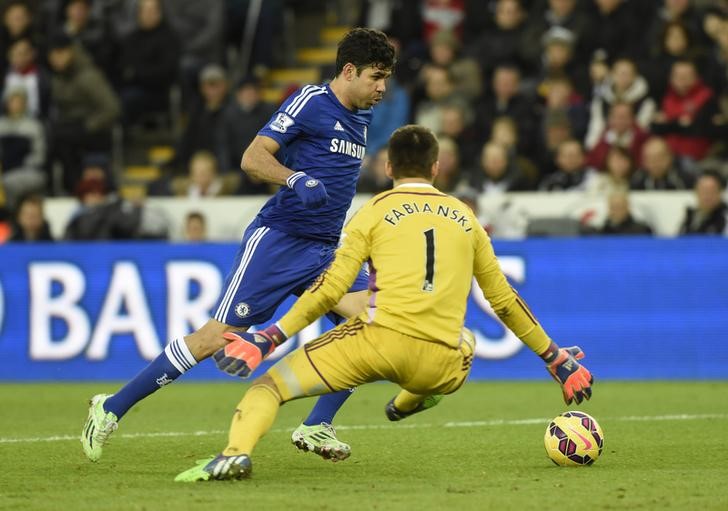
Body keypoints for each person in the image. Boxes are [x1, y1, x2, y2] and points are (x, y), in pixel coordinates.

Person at [173, 125, 594, 482]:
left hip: (377, 343)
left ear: (388, 167)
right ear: (435, 168)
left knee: (268, 388)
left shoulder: (373, 212)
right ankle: (406, 401)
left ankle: (234, 452)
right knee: (464, 341)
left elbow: (331, 288)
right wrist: (555, 358)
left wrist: (269, 335)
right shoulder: (465, 217)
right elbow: (503, 300)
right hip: (443, 359)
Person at [80, 27, 396, 464]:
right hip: (281, 241)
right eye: (376, 77)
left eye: (386, 79)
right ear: (348, 70)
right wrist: (294, 178)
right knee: (217, 337)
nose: (382, 88)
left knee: (377, 327)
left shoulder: (361, 115)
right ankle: (111, 407)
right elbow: (252, 157)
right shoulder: (310, 102)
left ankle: (316, 425)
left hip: (325, 250)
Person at [679, 171, 728, 235]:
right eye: (703, 191)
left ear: (720, 192)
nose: (707, 196)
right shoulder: (690, 217)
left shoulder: (725, 217)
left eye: (711, 191)